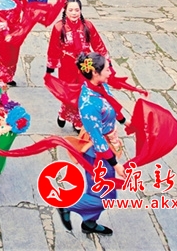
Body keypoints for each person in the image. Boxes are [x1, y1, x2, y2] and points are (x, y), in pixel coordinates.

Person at [56, 53, 124, 237]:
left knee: (101, 191)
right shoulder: (88, 104)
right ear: (95, 73)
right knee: (105, 194)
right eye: (107, 69)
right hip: (97, 153)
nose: (110, 72)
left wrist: (124, 121)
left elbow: (111, 104)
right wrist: (116, 165)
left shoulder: (100, 86)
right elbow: (98, 140)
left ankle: (89, 222)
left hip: (106, 147)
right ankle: (67, 206)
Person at [46, 0, 109, 130]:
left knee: (83, 91)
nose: (74, 13)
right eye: (71, 10)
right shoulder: (59, 27)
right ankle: (64, 112)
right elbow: (54, 48)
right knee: (69, 91)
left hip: (86, 64)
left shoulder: (88, 26)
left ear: (80, 11)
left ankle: (78, 121)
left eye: (77, 10)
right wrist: (51, 66)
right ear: (65, 11)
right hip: (67, 64)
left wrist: (105, 61)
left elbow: (97, 43)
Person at [0, 0, 65, 84]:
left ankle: (9, 77)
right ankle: (2, 77)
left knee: (14, 54)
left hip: (16, 29)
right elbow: (0, 18)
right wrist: (6, 34)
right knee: (4, 55)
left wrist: (39, 12)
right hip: (2, 31)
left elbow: (27, 7)